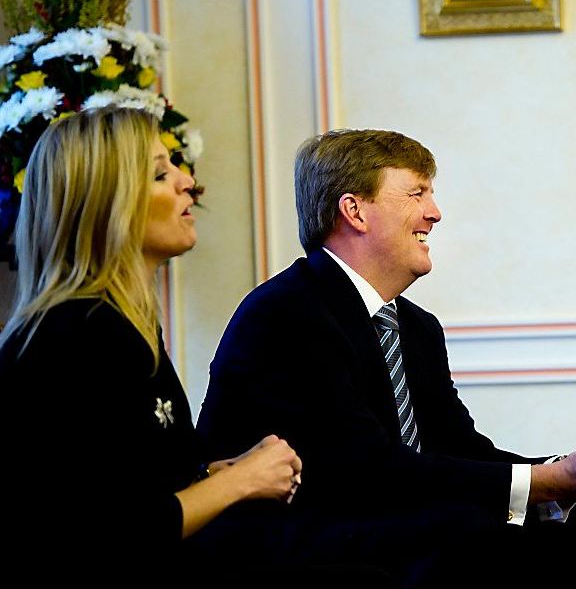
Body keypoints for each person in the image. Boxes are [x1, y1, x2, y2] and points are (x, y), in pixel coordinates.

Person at [197, 128, 576, 587]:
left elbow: (456, 447)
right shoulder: (288, 312)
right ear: (355, 211)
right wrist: (548, 480)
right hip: (293, 531)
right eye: (417, 194)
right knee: (477, 542)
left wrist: (565, 475)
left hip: (379, 515)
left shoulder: (414, 326)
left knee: (572, 533)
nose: (435, 213)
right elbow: (364, 468)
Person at [0, 107, 341, 575]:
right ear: (105, 203)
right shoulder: (73, 337)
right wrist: (240, 480)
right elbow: (107, 533)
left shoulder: (121, 323)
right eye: (161, 173)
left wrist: (219, 472)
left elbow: (136, 483)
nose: (187, 183)